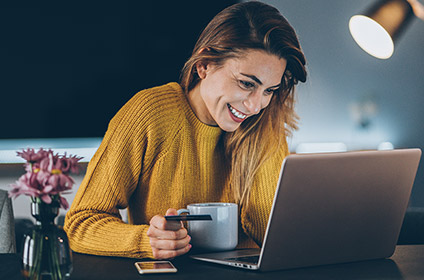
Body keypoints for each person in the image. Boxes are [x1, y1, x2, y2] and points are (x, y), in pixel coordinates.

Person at [64, 1, 307, 260]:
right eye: (247, 83)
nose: (256, 105)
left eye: (269, 90)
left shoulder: (263, 122)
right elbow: (81, 223)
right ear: (204, 65)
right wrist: (146, 240)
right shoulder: (149, 114)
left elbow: (277, 240)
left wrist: (260, 140)